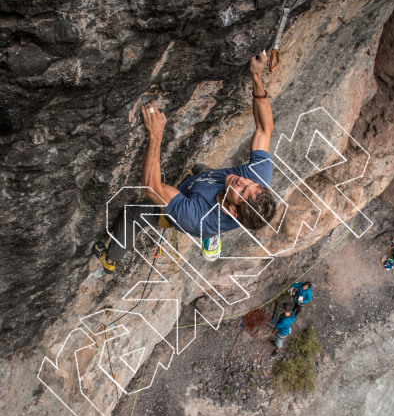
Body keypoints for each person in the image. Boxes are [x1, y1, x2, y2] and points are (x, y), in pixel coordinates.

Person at [94, 51, 276, 273]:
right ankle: (211, 231)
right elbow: (265, 128)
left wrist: (156, 136)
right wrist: (256, 77)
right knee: (200, 170)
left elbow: (152, 189)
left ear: (233, 211)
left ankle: (111, 260)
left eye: (243, 190)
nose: (242, 180)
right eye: (249, 183)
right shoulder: (256, 178)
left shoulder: (196, 217)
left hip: (191, 215)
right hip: (209, 196)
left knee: (133, 213)